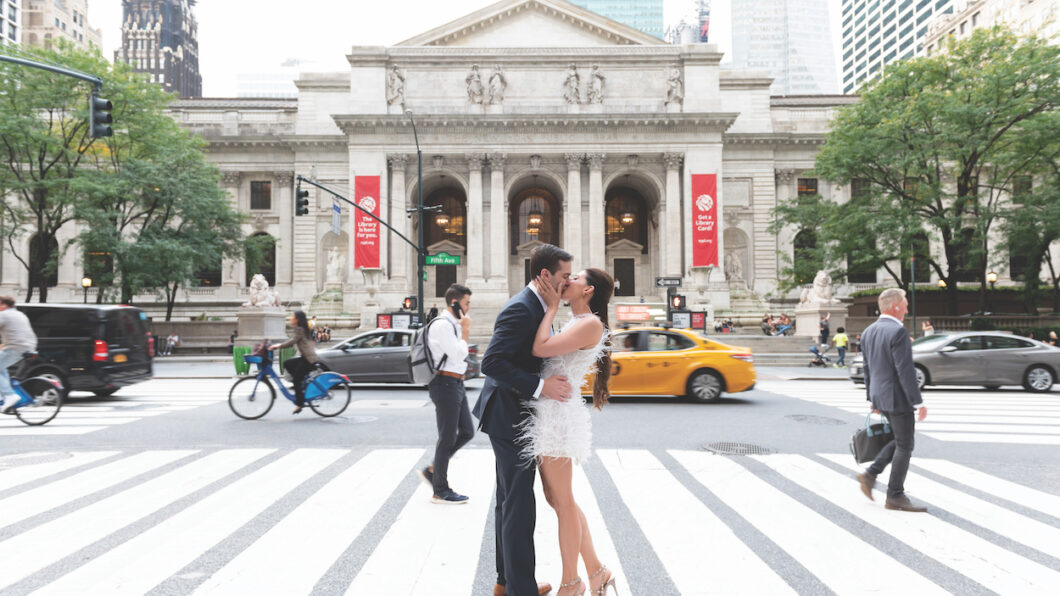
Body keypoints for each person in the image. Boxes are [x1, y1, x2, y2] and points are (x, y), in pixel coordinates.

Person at [473, 244, 575, 596]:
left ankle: (509, 582)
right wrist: (541, 386)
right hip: (508, 415)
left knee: (510, 501)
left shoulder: (537, 305)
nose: (569, 281)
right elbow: (492, 363)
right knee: (519, 505)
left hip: (512, 413)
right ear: (545, 275)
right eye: (565, 276)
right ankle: (521, 590)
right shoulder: (521, 308)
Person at [520, 268, 617, 596]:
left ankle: (570, 582)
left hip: (558, 418)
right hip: (552, 411)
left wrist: (548, 308)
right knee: (559, 500)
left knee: (563, 502)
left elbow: (540, 349)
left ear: (587, 289)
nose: (567, 280)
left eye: (574, 277)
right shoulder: (579, 321)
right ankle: (597, 572)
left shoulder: (589, 322)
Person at [856, 288, 929, 512]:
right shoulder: (898, 332)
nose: (907, 309)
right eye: (905, 304)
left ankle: (871, 475)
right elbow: (904, 371)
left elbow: (867, 368)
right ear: (895, 306)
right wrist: (918, 402)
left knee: (900, 441)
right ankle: (894, 495)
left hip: (881, 394)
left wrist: (872, 397)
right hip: (898, 397)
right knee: (905, 444)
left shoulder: (869, 331)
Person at [418, 284, 476, 504]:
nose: (469, 307)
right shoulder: (443, 325)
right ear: (455, 303)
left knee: (467, 432)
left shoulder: (453, 324)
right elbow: (459, 354)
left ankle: (433, 470)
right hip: (444, 383)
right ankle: (440, 490)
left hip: (455, 383)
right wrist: (467, 330)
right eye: (466, 303)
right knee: (447, 437)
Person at [268, 310, 320, 414]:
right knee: (287, 363)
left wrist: (278, 346)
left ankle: (299, 404)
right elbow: (293, 340)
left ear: (297, 320)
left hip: (309, 359)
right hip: (306, 357)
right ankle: (301, 383)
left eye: (292, 317)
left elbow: (292, 341)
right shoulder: (301, 329)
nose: (290, 319)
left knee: (296, 380)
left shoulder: (300, 330)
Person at [0, 296, 38, 414]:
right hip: (28, 346)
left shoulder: (4, 315)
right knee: (2, 367)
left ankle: (9, 395)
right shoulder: (20, 314)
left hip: (16, 347)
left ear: (4, 305)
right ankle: (5, 398)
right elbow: (15, 333)